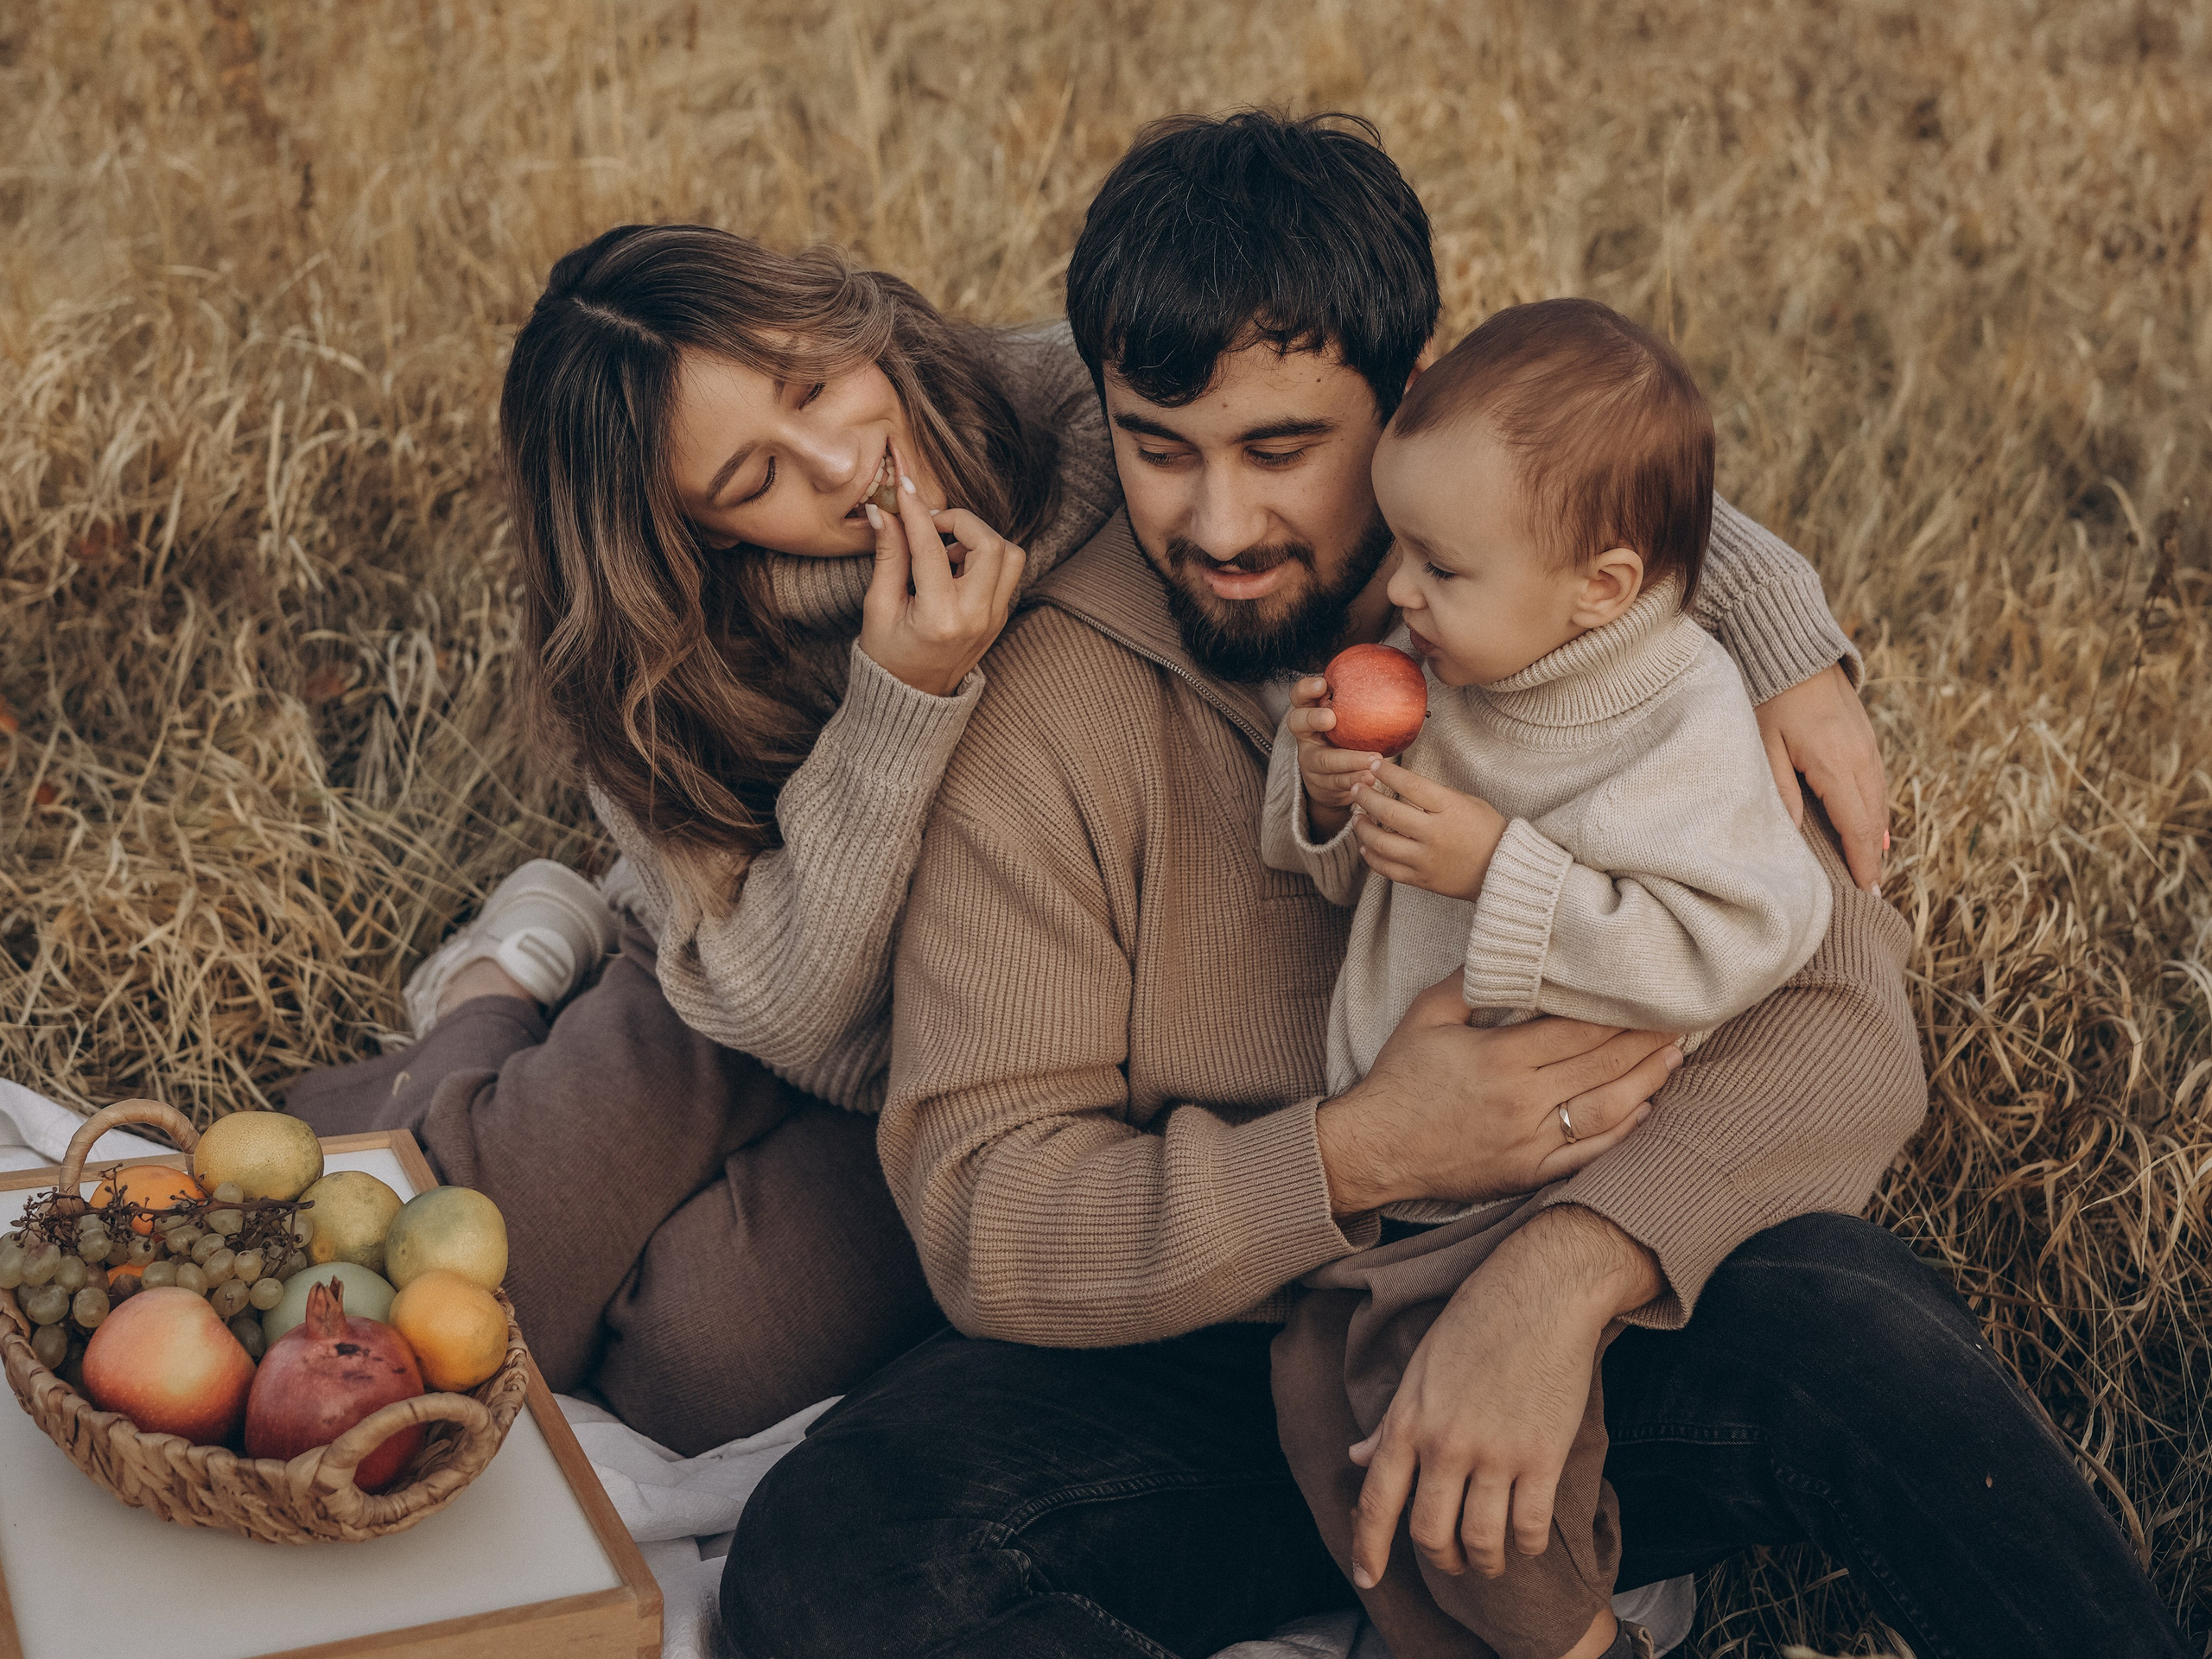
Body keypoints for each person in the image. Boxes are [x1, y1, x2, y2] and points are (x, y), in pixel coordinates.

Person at [719, 112, 2190, 1659]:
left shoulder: (1593, 639)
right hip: (1244, 1365)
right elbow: (982, 1205)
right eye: (1160, 449)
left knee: (1860, 1323)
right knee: (834, 1549)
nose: (1217, 528)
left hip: (1592, 1341)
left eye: (1282, 452)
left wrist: (1562, 1279)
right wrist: (1347, 1156)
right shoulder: (1052, 709)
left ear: (1408, 404)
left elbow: (1838, 1018)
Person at [283, 222, 1122, 1454]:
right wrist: (898, 705)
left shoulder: (1084, 418)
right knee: (484, 1283)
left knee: (691, 1371)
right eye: (755, 480)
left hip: (961, 1045)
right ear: (701, 530)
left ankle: (572, 983)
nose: (840, 461)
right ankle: (504, 972)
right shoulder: (654, 654)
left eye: (817, 383)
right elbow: (777, 1011)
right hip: (760, 975)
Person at [1265, 296, 1834, 1659]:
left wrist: (1500, 873)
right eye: (1398, 546)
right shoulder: (1445, 662)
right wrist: (1327, 793)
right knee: (1311, 1409)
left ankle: (1583, 1642)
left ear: (1603, 588)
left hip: (1540, 1179)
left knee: (1486, 1498)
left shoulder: (1681, 717)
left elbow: (1748, 935)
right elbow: (1339, 882)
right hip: (1408, 1177)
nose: (1396, 592)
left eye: (1441, 568)